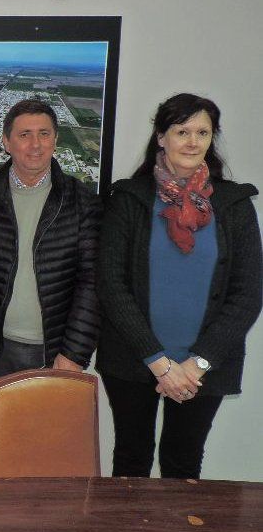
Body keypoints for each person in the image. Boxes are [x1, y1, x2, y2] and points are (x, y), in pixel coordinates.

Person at [96, 93, 261, 479]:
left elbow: (248, 294)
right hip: (134, 360)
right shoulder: (129, 199)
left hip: (203, 366)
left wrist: (195, 364)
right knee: (132, 459)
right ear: (161, 137)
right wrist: (158, 362)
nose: (192, 141)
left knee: (183, 463)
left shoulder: (235, 205)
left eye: (202, 132)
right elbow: (111, 284)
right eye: (181, 130)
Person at [0, 99, 101, 428]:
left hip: (53, 351)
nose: (35, 144)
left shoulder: (82, 202)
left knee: (44, 445)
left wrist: (74, 353)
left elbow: (92, 282)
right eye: (24, 134)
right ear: (6, 142)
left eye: (44, 134)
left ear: (56, 140)